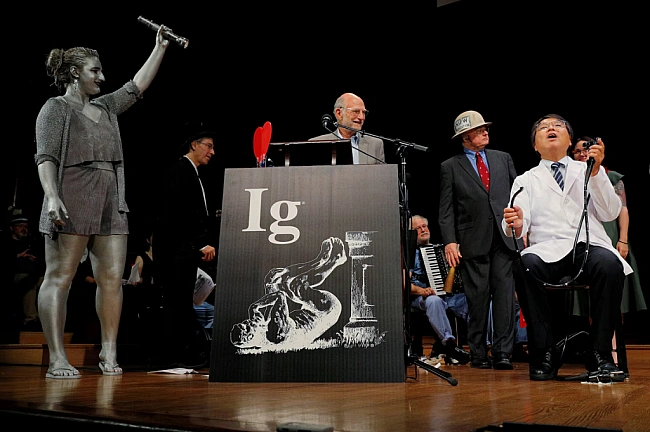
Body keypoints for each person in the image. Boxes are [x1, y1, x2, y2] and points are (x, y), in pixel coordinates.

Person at [34, 27, 170, 379]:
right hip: (72, 194)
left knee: (112, 279)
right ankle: (57, 359)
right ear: (74, 72)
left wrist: (159, 48)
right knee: (60, 277)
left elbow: (136, 87)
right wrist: (52, 196)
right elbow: (45, 157)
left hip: (110, 197)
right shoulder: (55, 109)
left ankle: (109, 353)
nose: (101, 77)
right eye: (95, 70)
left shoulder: (106, 107)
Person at [503, 114, 633, 381]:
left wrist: (595, 174)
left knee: (609, 264)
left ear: (570, 140)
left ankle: (600, 353)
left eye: (558, 126)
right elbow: (517, 223)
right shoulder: (526, 180)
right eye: (543, 127)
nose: (551, 128)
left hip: (587, 245)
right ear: (535, 145)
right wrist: (515, 222)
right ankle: (544, 352)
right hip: (547, 248)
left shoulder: (588, 170)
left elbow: (610, 212)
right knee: (524, 265)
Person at [438, 110, 521, 370]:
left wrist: (522, 226)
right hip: (472, 240)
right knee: (477, 299)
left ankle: (503, 352)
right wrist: (450, 241)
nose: (485, 132)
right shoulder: (450, 166)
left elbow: (519, 195)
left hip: (504, 237)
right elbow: (446, 210)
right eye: (479, 130)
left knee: (505, 298)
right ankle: (478, 353)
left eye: (485, 128)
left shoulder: (503, 158)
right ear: (465, 137)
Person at [152, 122, 218, 368]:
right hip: (175, 251)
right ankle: (174, 357)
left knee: (181, 302)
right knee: (177, 303)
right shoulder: (179, 172)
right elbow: (177, 214)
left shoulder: (191, 173)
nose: (212, 152)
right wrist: (200, 244)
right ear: (194, 145)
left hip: (182, 251)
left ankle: (180, 355)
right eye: (208, 146)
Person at [569, 137, 645, 315]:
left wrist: (623, 240)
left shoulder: (611, 177)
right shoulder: (570, 179)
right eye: (577, 151)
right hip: (584, 237)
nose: (582, 154)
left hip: (610, 234)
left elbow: (623, 209)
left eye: (585, 150)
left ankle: (613, 330)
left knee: (615, 292)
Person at [409, 215, 470, 364]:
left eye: (424, 226)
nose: (423, 230)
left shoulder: (442, 250)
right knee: (434, 301)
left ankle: (485, 346)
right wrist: (421, 290)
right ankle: (449, 345)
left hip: (450, 296)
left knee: (475, 302)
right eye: (418, 228)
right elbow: (403, 284)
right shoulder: (409, 254)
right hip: (421, 296)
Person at [309, 92, 385, 164]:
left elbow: (381, 173)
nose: (362, 117)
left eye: (364, 112)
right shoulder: (316, 144)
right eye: (356, 111)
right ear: (339, 113)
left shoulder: (376, 144)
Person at [2, 211, 45, 333]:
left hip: (36, 274)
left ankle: (50, 320)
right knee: (28, 282)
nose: (23, 229)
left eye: (25, 226)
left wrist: (36, 258)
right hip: (16, 275)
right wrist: (18, 256)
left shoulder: (33, 241)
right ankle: (31, 319)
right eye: (20, 226)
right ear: (12, 228)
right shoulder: (6, 243)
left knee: (52, 284)